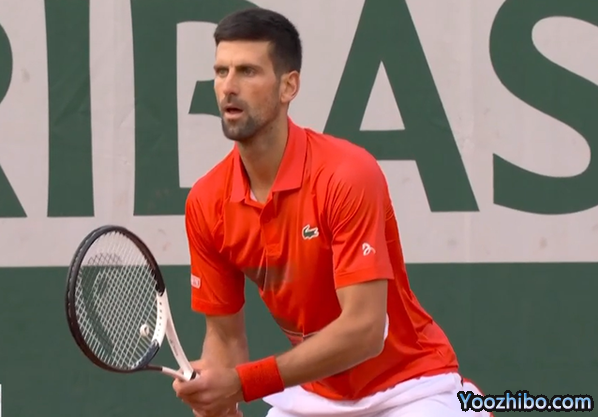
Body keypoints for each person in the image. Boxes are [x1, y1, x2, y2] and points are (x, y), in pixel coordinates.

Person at [172, 7, 490, 417]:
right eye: (221, 71)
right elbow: (225, 339)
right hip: (312, 399)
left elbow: (364, 331)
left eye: (248, 71)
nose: (228, 87)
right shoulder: (206, 201)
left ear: (289, 86)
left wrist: (243, 383)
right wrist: (219, 403)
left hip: (412, 388)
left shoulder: (346, 174)